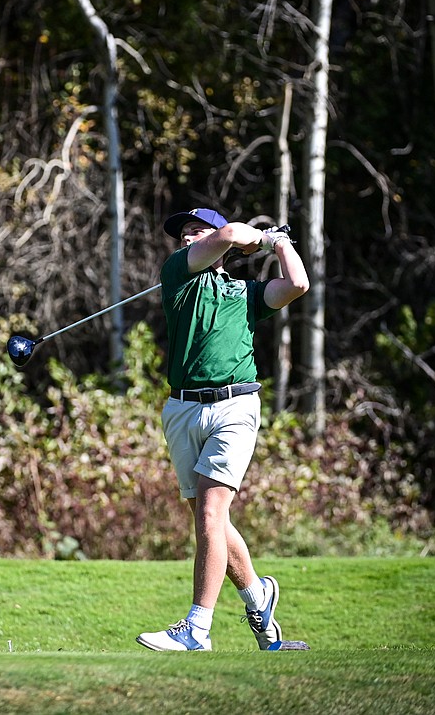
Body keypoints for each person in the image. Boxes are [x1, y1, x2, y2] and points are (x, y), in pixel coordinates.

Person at [136, 207, 309, 652]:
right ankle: (258, 597)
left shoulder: (246, 294)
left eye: (199, 231)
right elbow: (231, 232)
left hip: (235, 406)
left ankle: (196, 628)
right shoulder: (177, 275)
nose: (189, 239)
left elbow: (297, 284)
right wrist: (250, 237)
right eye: (185, 234)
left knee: (211, 514)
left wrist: (280, 243)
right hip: (182, 408)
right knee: (208, 519)